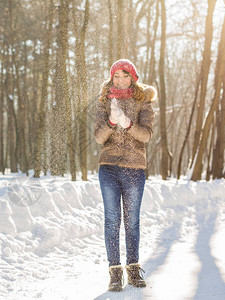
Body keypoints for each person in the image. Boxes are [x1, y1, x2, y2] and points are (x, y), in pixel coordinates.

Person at [94, 59, 156, 292]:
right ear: (112, 78)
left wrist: (128, 124)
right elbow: (99, 138)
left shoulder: (143, 102)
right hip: (108, 168)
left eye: (124, 75)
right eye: (116, 76)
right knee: (112, 221)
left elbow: (146, 136)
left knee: (132, 221)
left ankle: (133, 268)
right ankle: (114, 272)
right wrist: (111, 121)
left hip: (134, 169)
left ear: (133, 77)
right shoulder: (104, 101)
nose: (120, 80)